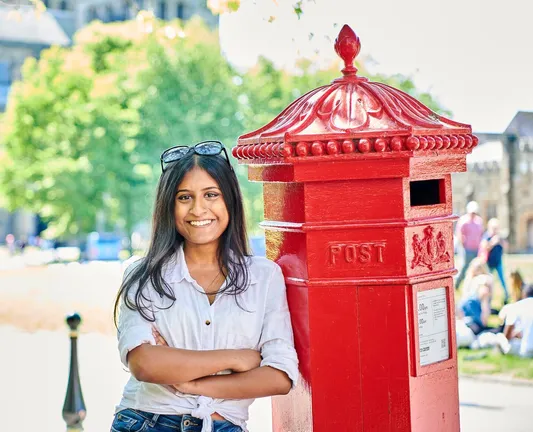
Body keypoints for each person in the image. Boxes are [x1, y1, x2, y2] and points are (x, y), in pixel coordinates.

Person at [111, 140, 298, 432]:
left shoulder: (264, 277)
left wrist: (189, 381)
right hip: (147, 421)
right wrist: (239, 358)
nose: (199, 209)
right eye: (184, 197)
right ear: (169, 207)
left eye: (211, 194)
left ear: (230, 201)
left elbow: (280, 376)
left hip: (224, 425)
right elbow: (145, 364)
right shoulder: (143, 274)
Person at [497, 283, 533, 357]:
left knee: (499, 337)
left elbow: (507, 335)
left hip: (526, 350)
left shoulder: (516, 306)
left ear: (523, 294)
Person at [478, 218, 509, 304]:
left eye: (496, 228)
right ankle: (488, 299)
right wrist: (492, 242)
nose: (495, 230)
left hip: (498, 262)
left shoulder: (499, 237)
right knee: (489, 282)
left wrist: (501, 242)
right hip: (489, 264)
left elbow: (506, 247)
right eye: (493, 228)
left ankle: (507, 296)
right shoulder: (486, 236)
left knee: (503, 280)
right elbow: (484, 248)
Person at [454, 201, 484, 289]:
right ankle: (457, 285)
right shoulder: (463, 221)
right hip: (466, 249)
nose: (473, 214)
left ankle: (473, 286)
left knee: (476, 268)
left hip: (476, 249)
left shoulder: (479, 221)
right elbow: (459, 234)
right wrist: (463, 245)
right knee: (465, 268)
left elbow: (481, 234)